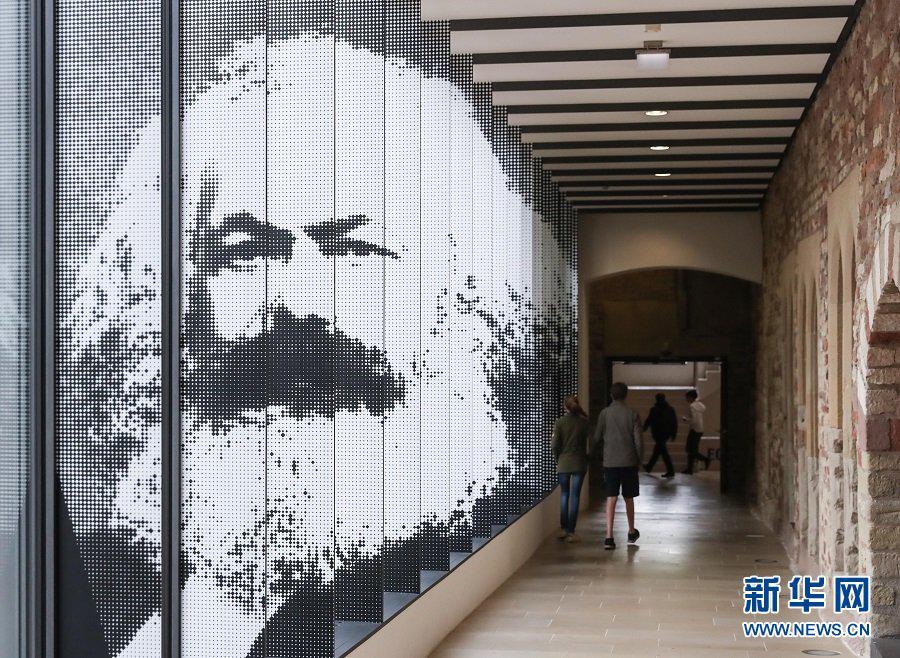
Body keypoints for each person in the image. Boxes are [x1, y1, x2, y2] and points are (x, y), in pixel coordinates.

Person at [592, 382, 641, 550]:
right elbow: (638, 441)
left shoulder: (604, 413)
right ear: (625, 395)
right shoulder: (632, 413)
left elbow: (597, 437)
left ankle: (609, 537)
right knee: (629, 497)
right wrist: (639, 459)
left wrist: (594, 453)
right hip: (629, 462)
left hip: (610, 462)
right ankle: (631, 531)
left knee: (611, 497)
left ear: (611, 395)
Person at [551, 395, 590, 543]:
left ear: (565, 407)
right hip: (579, 463)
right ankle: (571, 532)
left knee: (564, 494)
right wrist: (587, 459)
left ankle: (563, 528)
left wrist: (558, 460)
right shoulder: (584, 423)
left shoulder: (560, 422)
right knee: (575, 496)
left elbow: (554, 445)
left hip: (564, 463)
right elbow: (590, 444)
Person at [642, 393, 677, 478]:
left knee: (663, 452)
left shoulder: (654, 409)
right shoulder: (670, 409)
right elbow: (674, 422)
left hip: (657, 433)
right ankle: (649, 467)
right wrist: (673, 433)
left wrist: (644, 428)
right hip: (666, 433)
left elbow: (649, 420)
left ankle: (670, 471)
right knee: (658, 450)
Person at [682, 389, 710, 474]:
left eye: (687, 397)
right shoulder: (700, 405)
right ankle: (689, 469)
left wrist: (686, 420)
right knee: (692, 449)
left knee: (689, 449)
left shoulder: (692, 406)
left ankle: (705, 459)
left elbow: (694, 420)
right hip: (700, 429)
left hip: (694, 429)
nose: (686, 399)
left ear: (691, 397)